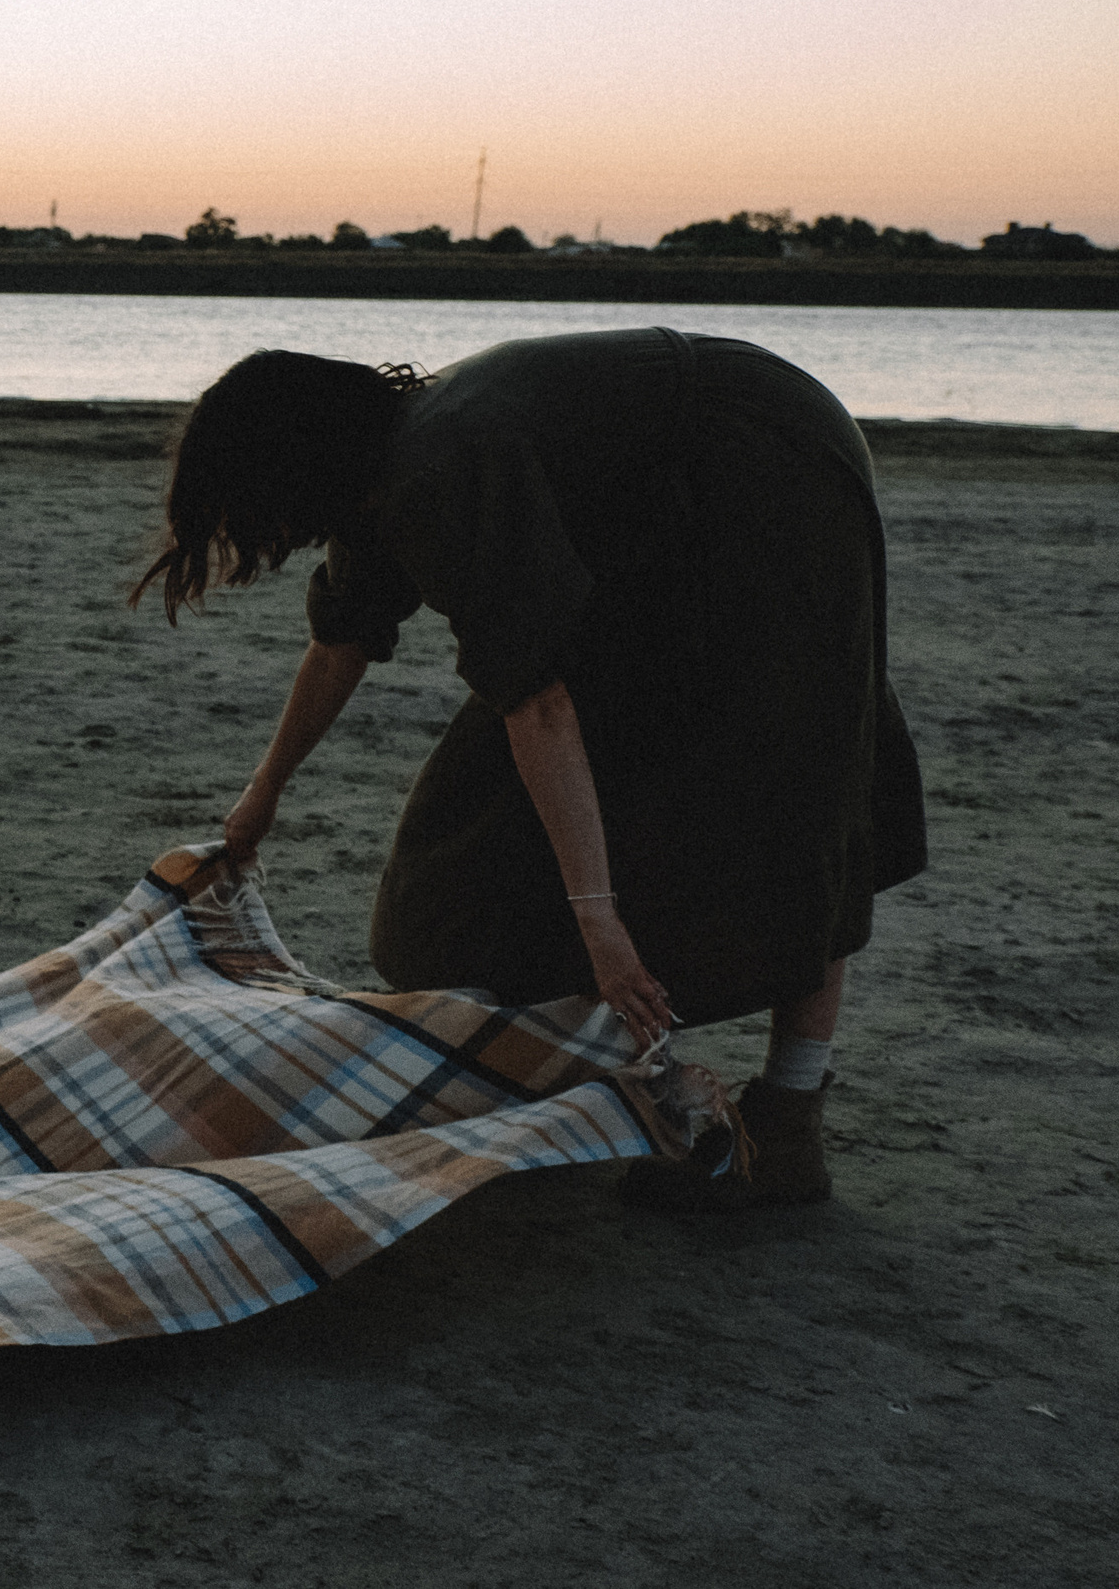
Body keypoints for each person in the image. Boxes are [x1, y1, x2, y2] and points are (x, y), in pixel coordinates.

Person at [133, 332, 927, 1210]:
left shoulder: (441, 466)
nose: (267, 533)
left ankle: (787, 1123)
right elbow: (341, 640)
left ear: (292, 463)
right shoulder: (380, 478)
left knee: (785, 784)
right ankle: (575, 1074)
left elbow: (539, 705)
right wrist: (261, 799)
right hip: (649, 521)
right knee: (459, 867)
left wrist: (600, 921)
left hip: (773, 476)